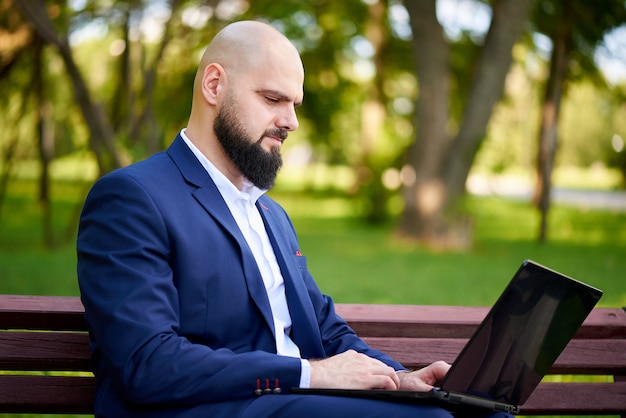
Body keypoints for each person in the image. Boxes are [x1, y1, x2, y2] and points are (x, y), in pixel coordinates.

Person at [77, 20, 513, 418]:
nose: (291, 121)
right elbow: (147, 363)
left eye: (295, 104)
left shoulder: (271, 213)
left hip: (297, 404)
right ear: (214, 85)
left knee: (485, 414)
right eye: (273, 99)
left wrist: (399, 379)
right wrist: (311, 374)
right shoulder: (133, 198)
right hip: (209, 409)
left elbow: (323, 327)